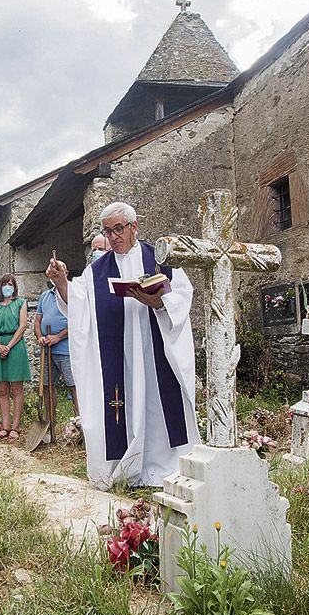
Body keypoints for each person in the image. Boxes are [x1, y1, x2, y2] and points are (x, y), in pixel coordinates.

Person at [46, 201, 199, 489]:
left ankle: (165, 466)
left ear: (134, 227)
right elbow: (80, 303)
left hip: (156, 351)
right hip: (120, 356)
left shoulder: (161, 258)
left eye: (119, 229)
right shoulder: (97, 270)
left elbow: (183, 295)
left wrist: (160, 302)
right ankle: (127, 466)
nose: (114, 236)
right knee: (122, 404)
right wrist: (62, 282)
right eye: (108, 231)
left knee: (159, 402)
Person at [0, 274, 31, 441]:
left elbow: (22, 326)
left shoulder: (21, 303)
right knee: (2, 389)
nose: (7, 287)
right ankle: (5, 426)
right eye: (5, 284)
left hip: (15, 345)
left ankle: (16, 427)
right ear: (0, 286)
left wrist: (9, 346)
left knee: (16, 389)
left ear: (14, 287)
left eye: (10, 284)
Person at [35, 280, 78, 416]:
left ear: (65, 273)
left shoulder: (73, 294)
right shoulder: (45, 296)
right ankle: (50, 421)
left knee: (73, 386)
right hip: (47, 349)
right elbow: (37, 320)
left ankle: (79, 421)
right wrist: (40, 336)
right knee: (47, 385)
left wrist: (58, 337)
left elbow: (78, 321)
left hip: (66, 350)